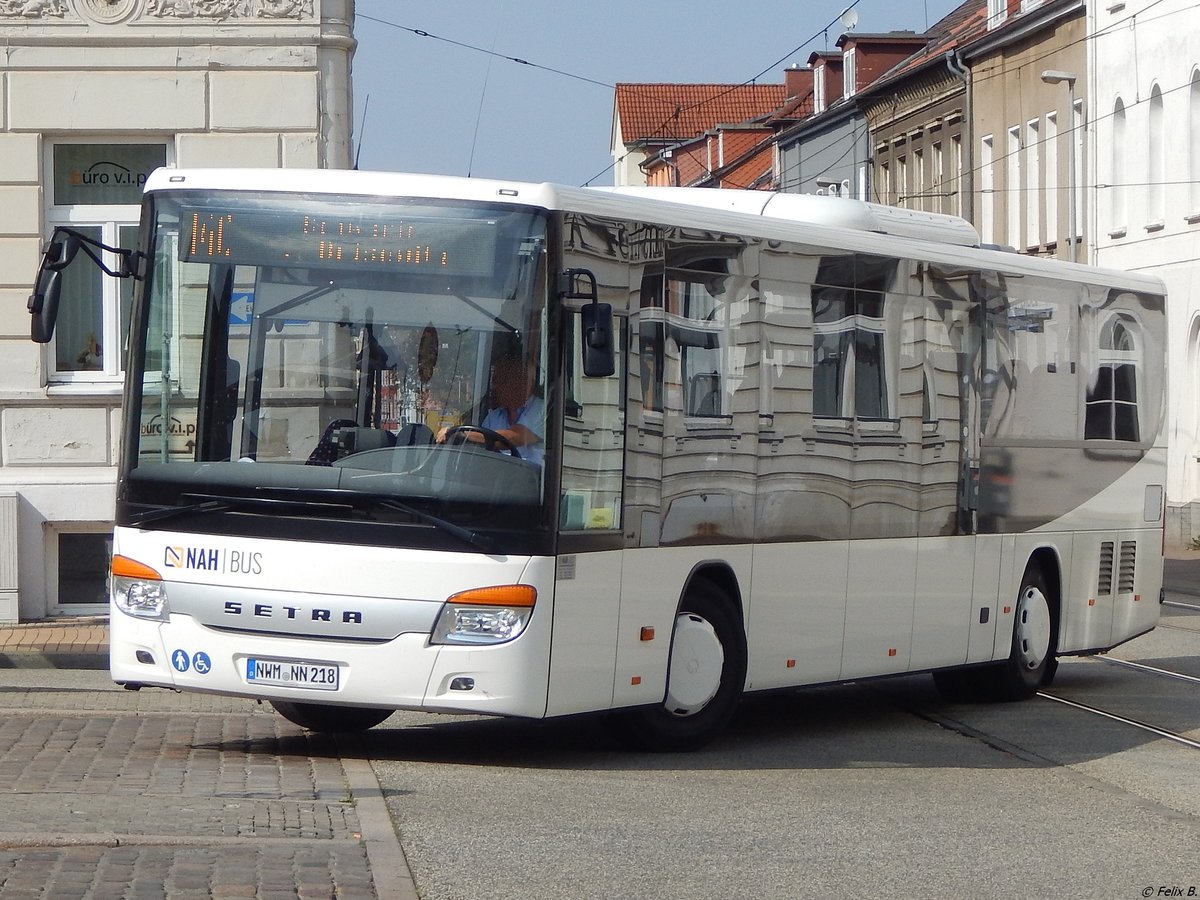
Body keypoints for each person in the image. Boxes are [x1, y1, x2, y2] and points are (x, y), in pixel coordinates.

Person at [436, 356, 544, 465]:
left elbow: (514, 437)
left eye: (500, 380)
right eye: (494, 381)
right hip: (496, 475)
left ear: (521, 381)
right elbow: (481, 445)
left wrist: (464, 434)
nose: (494, 386)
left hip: (530, 477)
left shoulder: (540, 409)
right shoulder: (494, 417)